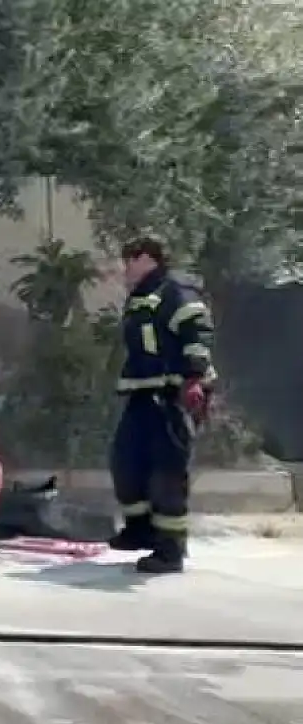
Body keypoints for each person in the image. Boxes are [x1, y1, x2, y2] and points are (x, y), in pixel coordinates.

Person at [107, 236, 216, 573]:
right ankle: (140, 530)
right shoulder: (144, 294)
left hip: (173, 394)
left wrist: (194, 378)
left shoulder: (175, 290)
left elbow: (196, 332)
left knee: (167, 473)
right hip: (143, 392)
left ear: (147, 258)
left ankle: (170, 550)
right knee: (125, 461)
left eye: (130, 260)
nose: (125, 268)